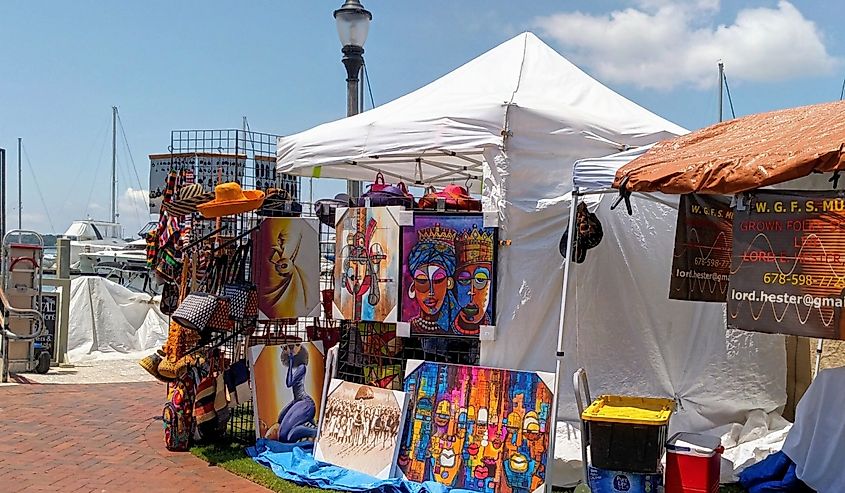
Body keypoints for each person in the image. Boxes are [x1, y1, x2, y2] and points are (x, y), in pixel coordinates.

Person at [405, 224, 459, 334]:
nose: (431, 291)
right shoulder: (410, 326)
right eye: (422, 281)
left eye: (438, 281)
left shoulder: (457, 327)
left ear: (449, 283)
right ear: (413, 286)